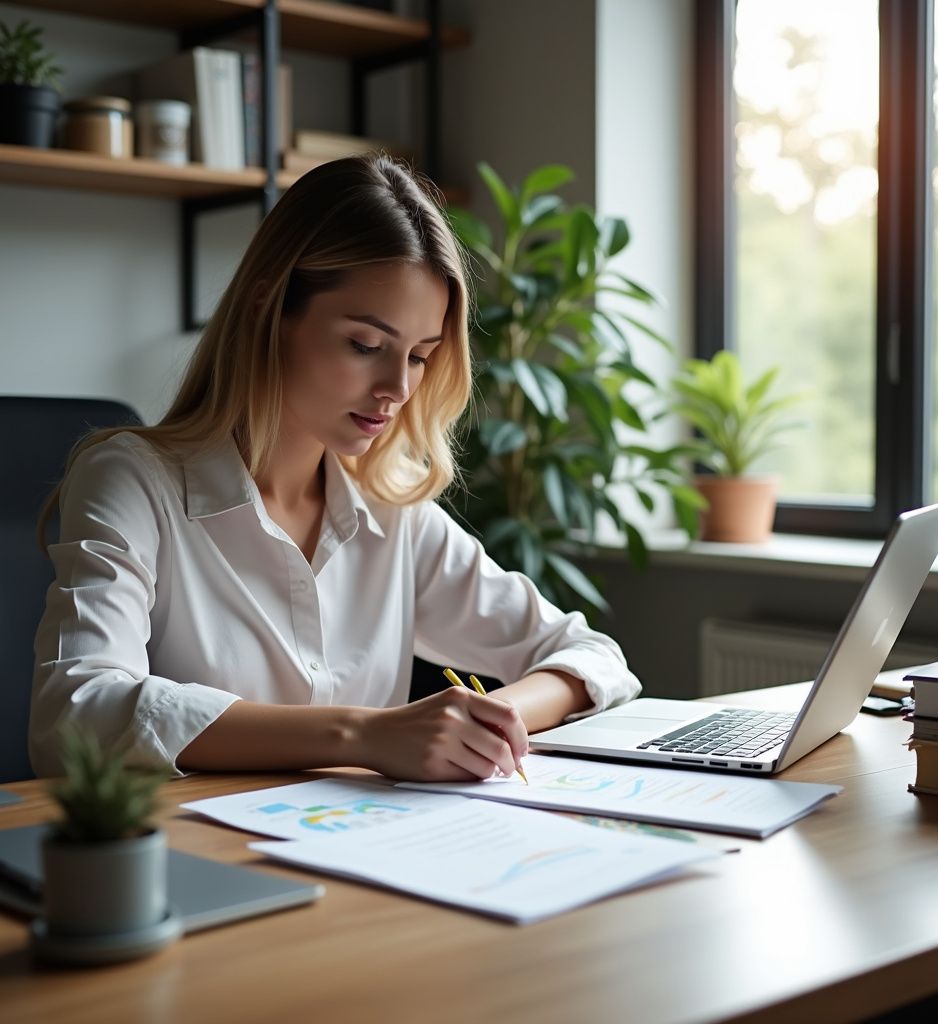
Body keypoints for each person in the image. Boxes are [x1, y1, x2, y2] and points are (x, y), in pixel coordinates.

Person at [29, 154, 640, 782]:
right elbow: (74, 712)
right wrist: (362, 734)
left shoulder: (391, 513)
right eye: (365, 346)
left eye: (421, 356)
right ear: (271, 312)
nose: (397, 388)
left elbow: (592, 656)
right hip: (197, 857)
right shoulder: (133, 481)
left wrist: (488, 719)